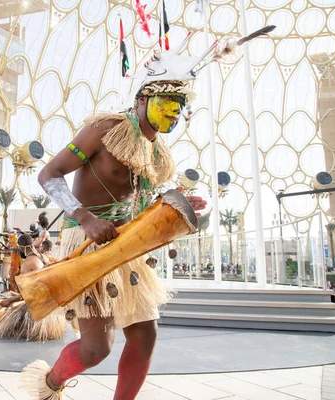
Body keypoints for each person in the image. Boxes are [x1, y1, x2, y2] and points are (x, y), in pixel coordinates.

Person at [19, 44, 216, 399]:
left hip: (127, 244)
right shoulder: (105, 128)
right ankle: (50, 385)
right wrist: (85, 217)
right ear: (142, 99)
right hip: (86, 242)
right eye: (168, 102)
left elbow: (140, 205)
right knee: (96, 349)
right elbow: (49, 174)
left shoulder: (159, 154)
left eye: (181, 106)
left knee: (145, 335)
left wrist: (174, 205)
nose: (175, 112)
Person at [0, 234, 66, 341]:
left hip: (38, 307)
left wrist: (10, 300)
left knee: (7, 316)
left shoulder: (27, 264)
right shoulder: (43, 257)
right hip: (51, 304)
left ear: (21, 248)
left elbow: (29, 294)